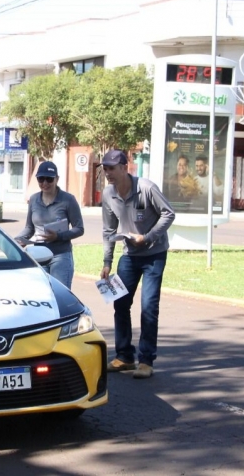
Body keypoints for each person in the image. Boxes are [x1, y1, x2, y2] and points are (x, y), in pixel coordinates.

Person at [100, 149, 175, 379]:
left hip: (154, 254)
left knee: (149, 306)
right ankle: (124, 356)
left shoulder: (147, 188)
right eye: (105, 168)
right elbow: (109, 230)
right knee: (120, 303)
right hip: (129, 255)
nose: (108, 173)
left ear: (125, 167)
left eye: (112, 168)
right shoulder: (108, 194)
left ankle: (146, 360)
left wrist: (149, 237)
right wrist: (107, 261)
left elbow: (169, 214)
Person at [16, 161, 83, 289]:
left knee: (60, 296)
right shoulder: (34, 199)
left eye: (49, 179)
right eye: (41, 179)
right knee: (42, 296)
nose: (45, 183)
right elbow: (29, 228)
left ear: (57, 179)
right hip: (38, 254)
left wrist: (58, 236)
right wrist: (17, 240)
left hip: (61, 256)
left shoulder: (68, 199)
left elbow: (79, 229)